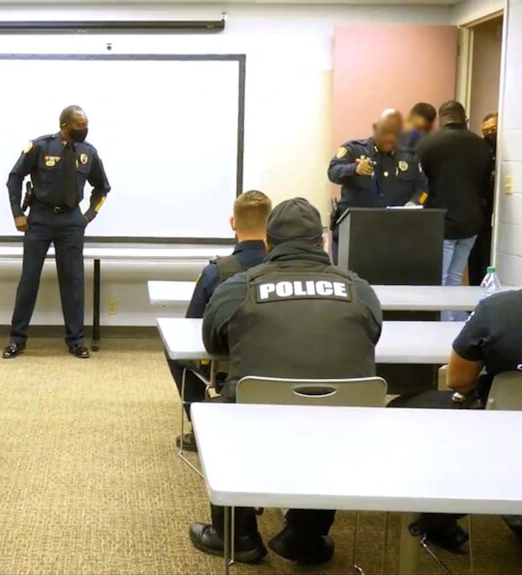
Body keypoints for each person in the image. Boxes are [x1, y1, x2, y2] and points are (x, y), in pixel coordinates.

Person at [192, 198, 382, 565]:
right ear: (323, 242)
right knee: (330, 412)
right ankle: (305, 536)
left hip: (257, 424)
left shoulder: (239, 287)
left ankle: (237, 536)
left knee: (217, 412)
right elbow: (371, 335)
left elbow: (213, 342)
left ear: (267, 243)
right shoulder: (359, 289)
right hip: (345, 431)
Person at [389, 287, 522, 549]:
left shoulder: (497, 310)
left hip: (502, 430)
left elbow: (458, 380)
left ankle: (439, 514)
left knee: (404, 408)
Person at [2, 105, 111, 360]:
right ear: (64, 126)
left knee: (72, 281)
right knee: (29, 280)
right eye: (79, 125)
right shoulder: (41, 147)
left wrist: (87, 217)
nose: (84, 130)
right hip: (40, 218)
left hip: (71, 220)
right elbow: (14, 177)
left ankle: (75, 341)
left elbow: (103, 188)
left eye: (86, 125)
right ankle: (17, 339)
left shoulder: (88, 152)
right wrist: (18, 213)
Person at [166, 190, 271, 452]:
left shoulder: (216, 272)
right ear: (271, 225)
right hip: (281, 359)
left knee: (175, 351)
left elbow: (192, 326)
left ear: (233, 223)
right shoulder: (288, 270)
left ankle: (199, 422)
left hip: (231, 360)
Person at [418, 101, 493, 320]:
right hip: (472, 221)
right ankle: (452, 325)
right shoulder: (481, 145)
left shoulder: (428, 144)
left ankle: (442, 327)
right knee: (455, 278)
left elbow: (423, 183)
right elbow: (484, 186)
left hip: (441, 222)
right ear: (464, 118)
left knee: (439, 280)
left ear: (441, 119)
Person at [327, 109, 428, 262]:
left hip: (392, 238)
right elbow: (332, 172)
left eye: (395, 133)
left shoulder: (410, 157)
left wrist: (414, 203)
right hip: (355, 235)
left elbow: (424, 188)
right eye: (386, 132)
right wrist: (354, 169)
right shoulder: (353, 150)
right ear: (375, 128)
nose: (390, 138)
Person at [468, 112, 499, 286]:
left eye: (493, 130)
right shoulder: (481, 154)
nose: (489, 135)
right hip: (480, 215)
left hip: (498, 220)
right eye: (485, 131)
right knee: (475, 262)